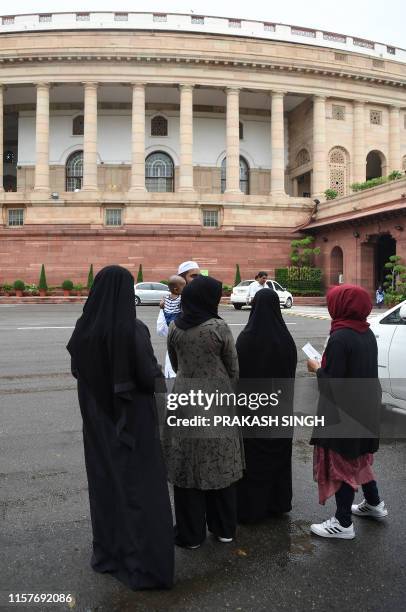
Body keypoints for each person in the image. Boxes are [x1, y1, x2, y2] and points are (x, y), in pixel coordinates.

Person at [67, 265, 174, 589]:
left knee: (106, 486)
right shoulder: (132, 329)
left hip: (98, 421)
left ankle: (109, 554)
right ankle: (142, 565)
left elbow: (78, 371)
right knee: (139, 491)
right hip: (132, 423)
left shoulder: (84, 328)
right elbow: (148, 376)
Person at [163, 275, 244, 549]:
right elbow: (233, 368)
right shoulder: (218, 327)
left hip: (184, 397)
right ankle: (223, 529)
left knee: (188, 463)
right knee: (219, 461)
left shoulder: (175, 327)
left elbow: (174, 364)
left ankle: (190, 534)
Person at [307, 284, 388, 540]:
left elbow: (332, 385)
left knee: (342, 462)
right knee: (360, 458)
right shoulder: (366, 332)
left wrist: (316, 368)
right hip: (365, 407)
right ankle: (374, 503)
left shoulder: (341, 337)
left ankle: (343, 523)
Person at [235, 289, 297, 522]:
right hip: (280, 408)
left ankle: (252, 508)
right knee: (279, 455)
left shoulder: (246, 338)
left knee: (254, 458)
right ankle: (278, 502)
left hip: (253, 409)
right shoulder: (285, 338)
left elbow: (238, 374)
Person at [157, 275, 186, 378]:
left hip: (168, 317)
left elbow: (161, 328)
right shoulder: (181, 299)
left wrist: (162, 309)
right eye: (184, 286)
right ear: (176, 289)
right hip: (174, 320)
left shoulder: (165, 298)